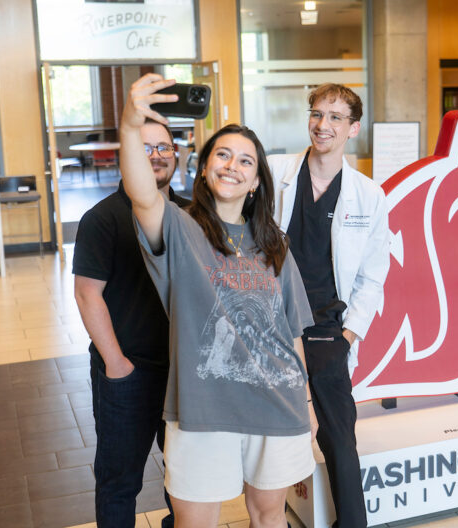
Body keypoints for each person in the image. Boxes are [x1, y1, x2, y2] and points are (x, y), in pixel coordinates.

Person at [119, 73, 317, 528]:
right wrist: (130, 126)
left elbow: (292, 334)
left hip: (277, 401)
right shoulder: (178, 227)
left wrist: (307, 403)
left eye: (246, 161)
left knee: (269, 517)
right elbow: (141, 194)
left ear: (256, 181)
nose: (233, 166)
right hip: (201, 410)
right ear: (205, 168)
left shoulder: (275, 245)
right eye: (223, 155)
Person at [268, 84, 390, 528]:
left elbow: (373, 275)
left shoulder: (368, 195)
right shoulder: (275, 173)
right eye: (317, 114)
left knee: (339, 437)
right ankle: (270, 519)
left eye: (336, 117)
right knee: (271, 436)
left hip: (327, 330)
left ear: (353, 128)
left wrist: (348, 335)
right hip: (272, 325)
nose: (323, 125)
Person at [73, 119, 187, 528]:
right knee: (119, 482)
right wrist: (116, 364)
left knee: (186, 478)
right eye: (144, 148)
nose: (156, 156)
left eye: (163, 147)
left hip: (184, 374)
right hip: (129, 372)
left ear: (176, 154)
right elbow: (87, 295)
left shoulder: (191, 213)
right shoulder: (102, 218)